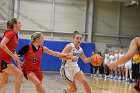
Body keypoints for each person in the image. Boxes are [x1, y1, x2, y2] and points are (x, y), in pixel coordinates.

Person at [0, 18, 23, 93]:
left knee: (4, 82)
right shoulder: (10, 33)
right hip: (2, 60)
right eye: (19, 23)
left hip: (6, 60)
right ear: (15, 25)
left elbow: (13, 50)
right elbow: (2, 44)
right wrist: (13, 56)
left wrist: (17, 61)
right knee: (19, 75)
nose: (21, 25)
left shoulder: (15, 36)